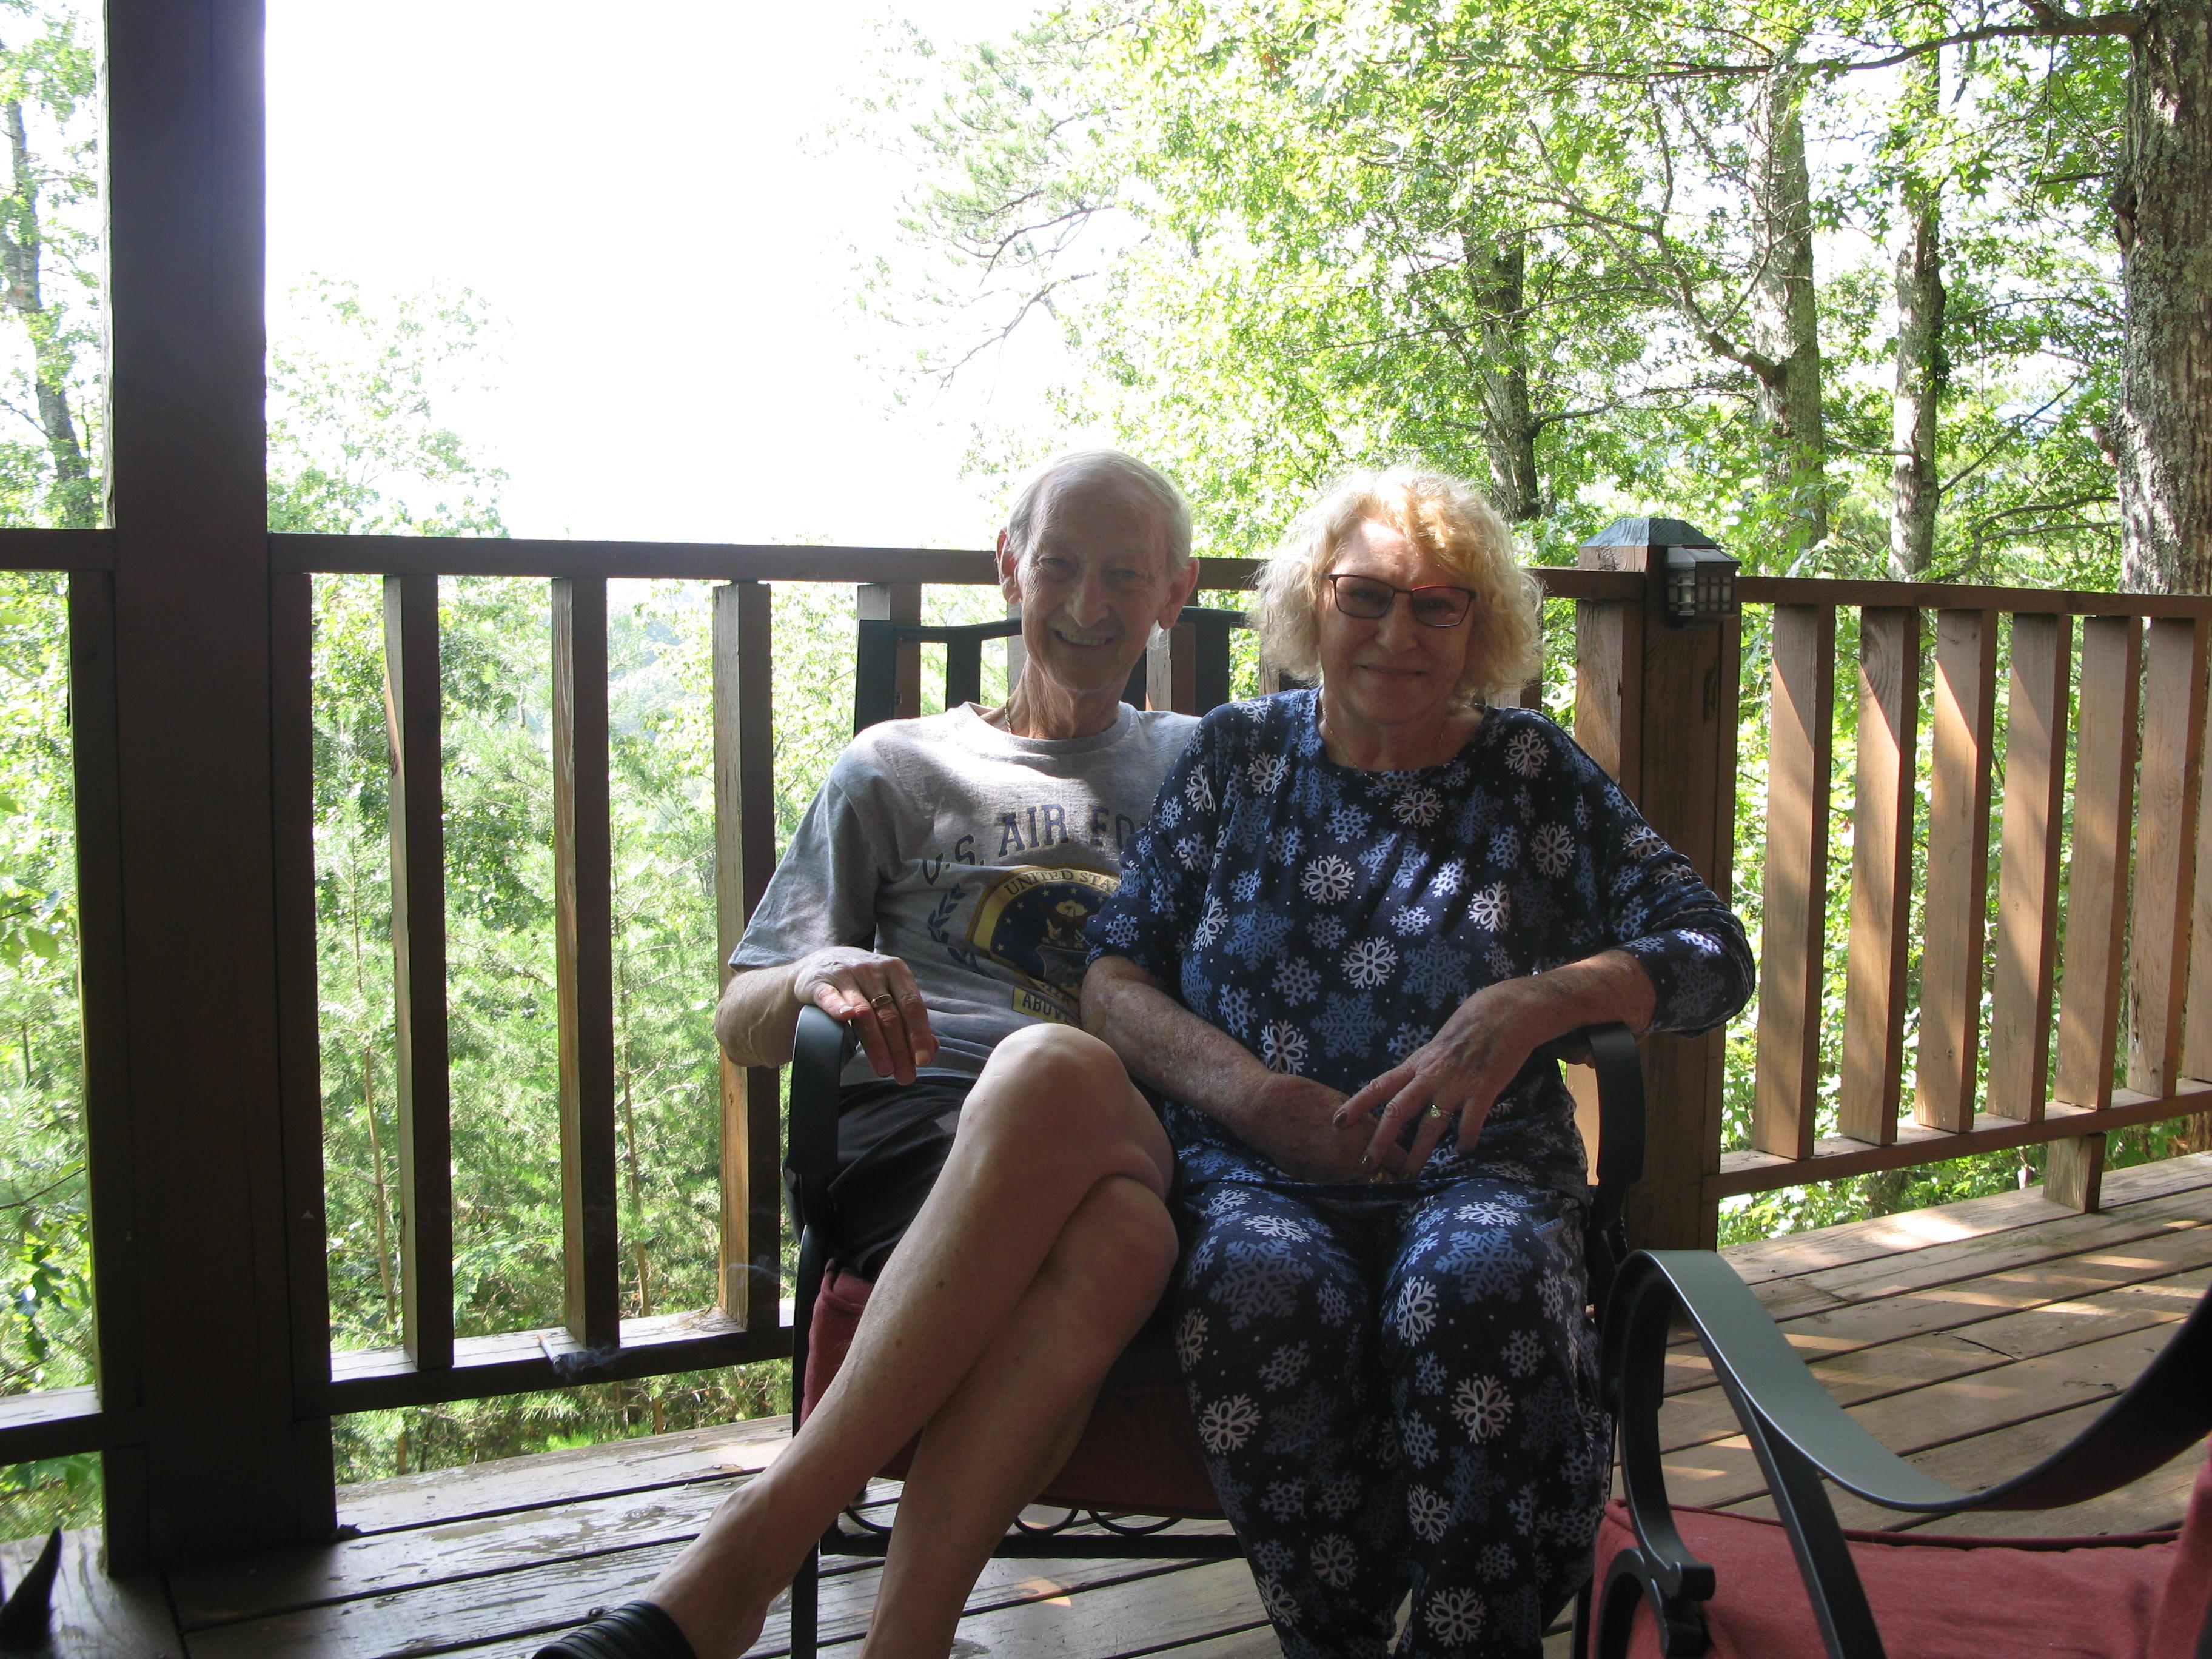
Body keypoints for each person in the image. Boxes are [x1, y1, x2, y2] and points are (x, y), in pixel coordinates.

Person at [538, 449, 1200, 1659]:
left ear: (1175, 593)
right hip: (914, 1131)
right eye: (1059, 564)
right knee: (1123, 1234)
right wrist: (814, 971)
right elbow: (744, 1020)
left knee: (1057, 1071)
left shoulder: (1208, 770)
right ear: (1010, 567)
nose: (1089, 603)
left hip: (1133, 1122)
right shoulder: (895, 766)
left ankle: (746, 1552)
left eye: (1126, 575)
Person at [1082, 468, 1754, 1658]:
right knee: (1259, 1295)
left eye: (1439, 605)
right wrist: (1255, 1095)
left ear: (1480, 627)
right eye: (1366, 597)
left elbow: (1710, 954)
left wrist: (1536, 1003)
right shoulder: (1237, 757)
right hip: (1257, 1176)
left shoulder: (1530, 773)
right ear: (1312, 604)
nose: (1397, 632)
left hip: (1480, 1170)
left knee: (1483, 1290)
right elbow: (1114, 976)